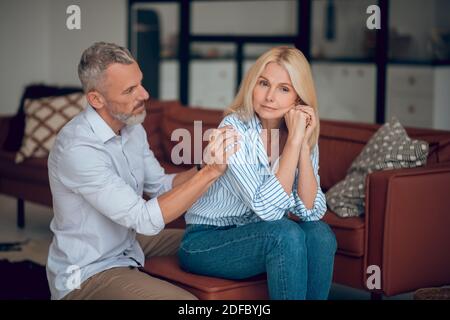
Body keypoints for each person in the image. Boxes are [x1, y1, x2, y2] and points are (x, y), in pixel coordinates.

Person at [46, 42, 239, 300]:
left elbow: (160, 186)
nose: (145, 94)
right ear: (96, 99)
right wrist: (210, 173)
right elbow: (145, 219)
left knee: (211, 242)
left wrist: (204, 165)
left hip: (129, 243)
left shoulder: (132, 127)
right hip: (89, 271)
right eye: (130, 90)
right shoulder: (78, 149)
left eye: (140, 83)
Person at [178, 46, 337, 300]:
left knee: (321, 235)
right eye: (264, 83)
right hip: (204, 242)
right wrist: (294, 145)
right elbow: (268, 211)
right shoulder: (234, 128)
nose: (269, 96)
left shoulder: (299, 133)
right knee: (285, 234)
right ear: (253, 85)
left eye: (284, 89)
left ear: (298, 99)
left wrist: (302, 146)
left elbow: (312, 211)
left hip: (257, 235)